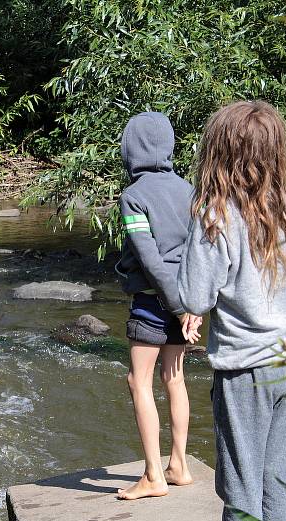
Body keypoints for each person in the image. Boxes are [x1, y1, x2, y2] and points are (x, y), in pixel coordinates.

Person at [178, 101, 286, 521]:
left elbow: (194, 294)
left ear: (218, 153)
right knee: (280, 485)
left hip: (245, 370)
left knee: (242, 494)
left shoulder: (216, 216)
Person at [114, 111, 202, 500]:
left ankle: (153, 476)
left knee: (139, 382)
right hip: (187, 301)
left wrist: (178, 307)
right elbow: (201, 250)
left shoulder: (133, 196)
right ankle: (179, 465)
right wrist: (191, 305)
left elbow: (149, 260)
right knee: (175, 378)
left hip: (153, 304)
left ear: (129, 150)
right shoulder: (189, 190)